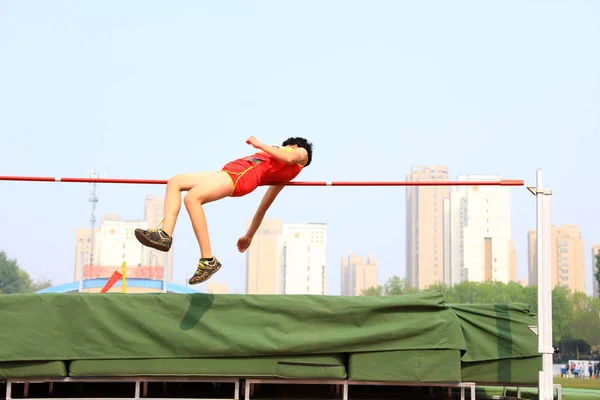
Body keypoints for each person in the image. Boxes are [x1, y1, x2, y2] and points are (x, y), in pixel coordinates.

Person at [135, 136, 313, 285]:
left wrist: (260, 145)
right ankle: (165, 234)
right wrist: (249, 236)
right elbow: (262, 209)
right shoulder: (280, 170)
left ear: (293, 146)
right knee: (175, 182)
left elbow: (290, 158)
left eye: (284, 147)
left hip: (240, 176)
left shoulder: (300, 154)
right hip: (228, 172)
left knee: (192, 198)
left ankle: (208, 259)